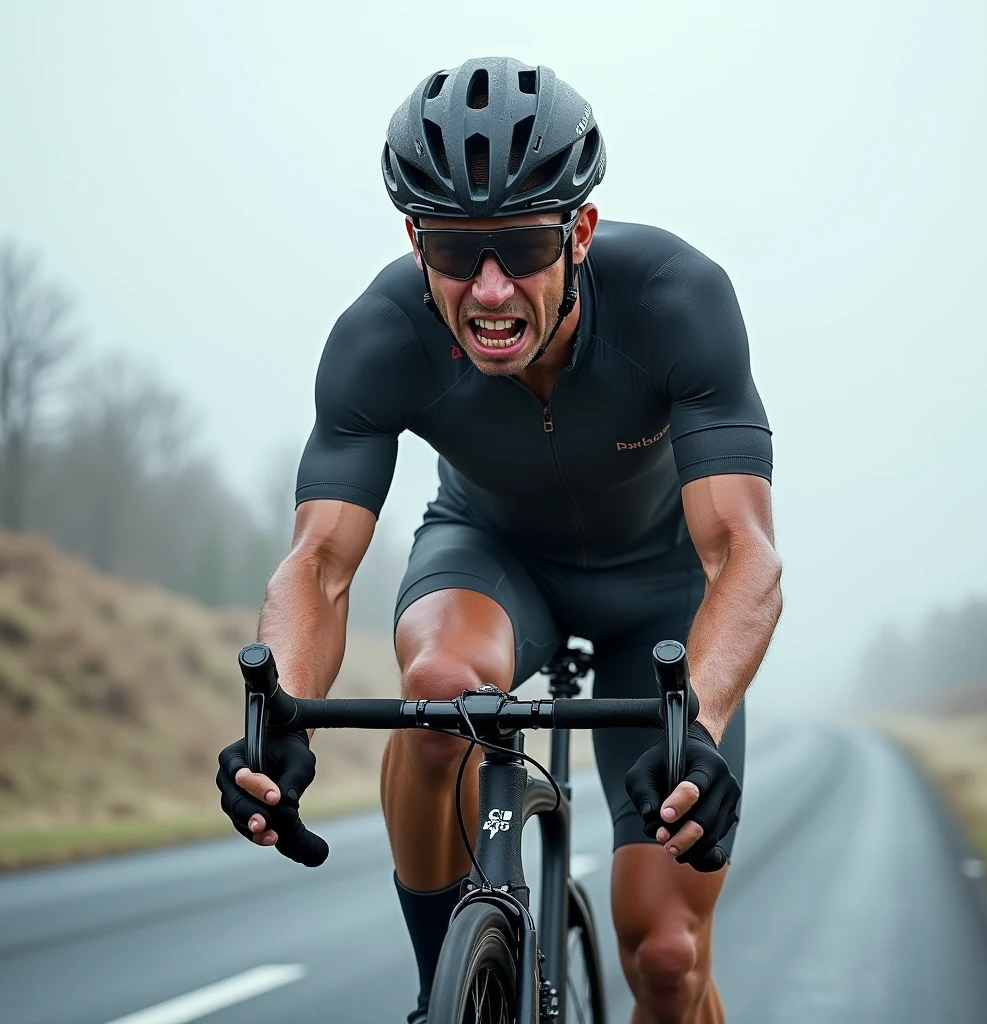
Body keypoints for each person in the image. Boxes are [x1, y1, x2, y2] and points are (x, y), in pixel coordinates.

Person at [216, 56, 782, 1024]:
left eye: (520, 246)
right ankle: (449, 983)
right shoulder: (380, 333)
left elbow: (741, 551)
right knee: (438, 693)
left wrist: (709, 726)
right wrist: (283, 721)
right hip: (491, 560)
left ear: (581, 232)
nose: (487, 288)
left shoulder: (676, 299)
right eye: (450, 250)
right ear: (414, 239)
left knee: (669, 956)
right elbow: (318, 561)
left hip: (659, 598)